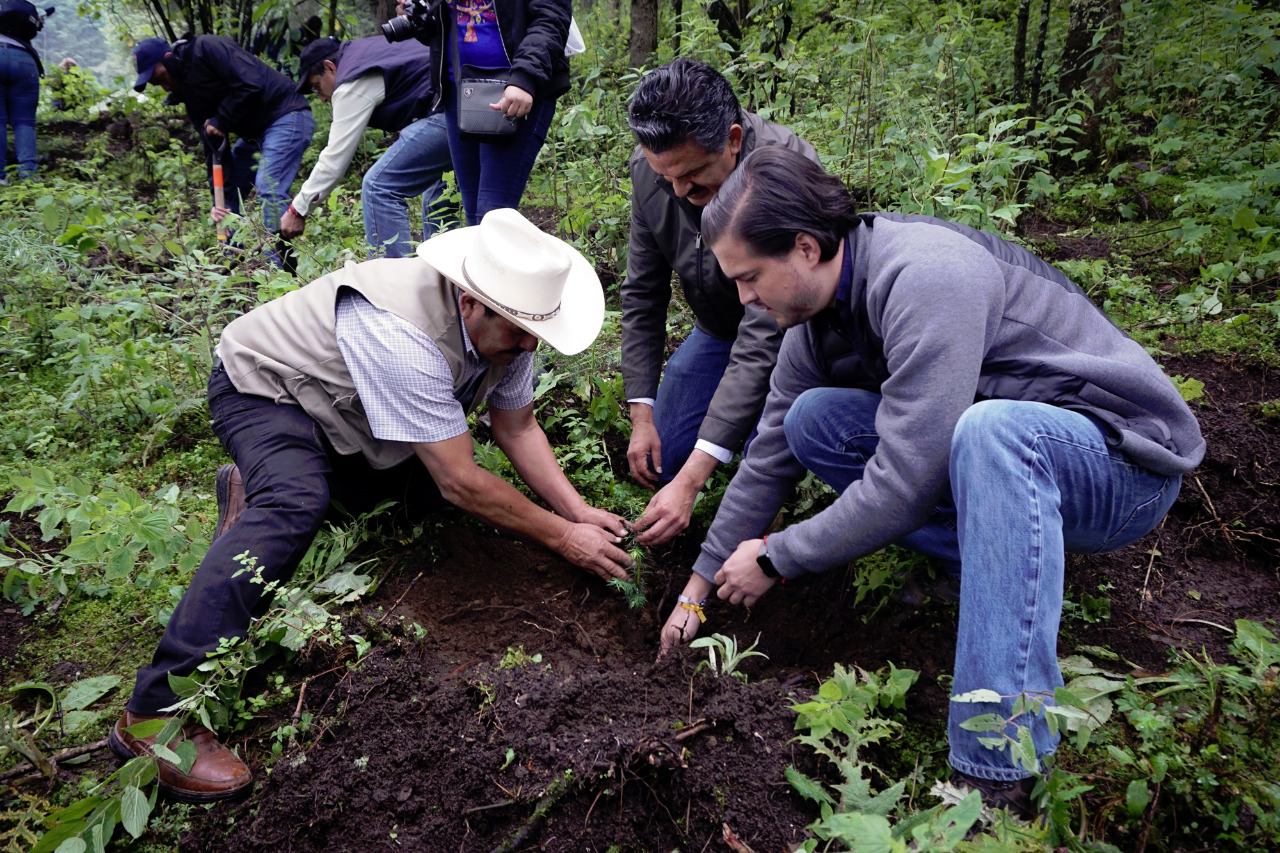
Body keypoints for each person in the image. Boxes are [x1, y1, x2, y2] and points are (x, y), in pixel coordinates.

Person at [660, 147, 1205, 816]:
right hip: (1023, 458)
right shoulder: (816, 318)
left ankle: (999, 766)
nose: (743, 297)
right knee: (812, 419)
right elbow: (770, 451)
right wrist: (697, 588)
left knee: (992, 433)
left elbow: (907, 482)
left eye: (750, 277)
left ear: (805, 248)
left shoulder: (924, 277)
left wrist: (779, 555)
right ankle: (998, 565)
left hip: (1123, 463)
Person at [109, 208, 634, 803]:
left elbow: (516, 428)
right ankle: (154, 714)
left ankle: (263, 494)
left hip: (355, 417)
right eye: (516, 332)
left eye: (534, 332)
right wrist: (563, 540)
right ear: (469, 302)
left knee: (430, 502)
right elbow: (462, 479)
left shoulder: (516, 326)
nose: (527, 345)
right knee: (295, 503)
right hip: (269, 391)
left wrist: (577, 512)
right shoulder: (399, 330)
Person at [621, 58, 816, 546]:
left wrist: (695, 480)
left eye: (692, 176)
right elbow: (643, 293)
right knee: (663, 454)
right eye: (664, 176)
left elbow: (764, 332)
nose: (679, 192)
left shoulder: (785, 169)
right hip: (715, 329)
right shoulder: (656, 174)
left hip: (793, 333)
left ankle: (759, 530)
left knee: (759, 457)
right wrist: (640, 415)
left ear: (732, 140)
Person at [132, 35, 314, 262]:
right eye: (156, 84)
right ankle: (233, 261)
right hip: (254, 134)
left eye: (160, 77)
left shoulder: (206, 48)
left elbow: (252, 82)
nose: (164, 85)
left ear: (169, 59)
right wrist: (219, 203)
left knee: (268, 189)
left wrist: (222, 119)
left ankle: (283, 271)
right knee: (229, 195)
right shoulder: (189, 94)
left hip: (287, 114)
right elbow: (213, 149)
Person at [281, 35, 454, 258]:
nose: (322, 99)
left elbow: (334, 160)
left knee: (379, 187)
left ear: (329, 67)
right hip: (472, 106)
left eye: (316, 87)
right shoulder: (370, 50)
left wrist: (298, 209)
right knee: (440, 195)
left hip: (448, 113)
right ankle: (443, 277)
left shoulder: (351, 81)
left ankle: (389, 285)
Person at [412, 0, 572, 224]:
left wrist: (525, 77)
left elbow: (551, 17)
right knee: (475, 218)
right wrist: (419, 15)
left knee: (491, 219)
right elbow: (442, 24)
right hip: (459, 91)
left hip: (514, 90)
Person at [0, 0, 47, 182]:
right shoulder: (24, 10)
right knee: (25, 123)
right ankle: (29, 177)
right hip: (25, 59)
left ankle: (0, 178)